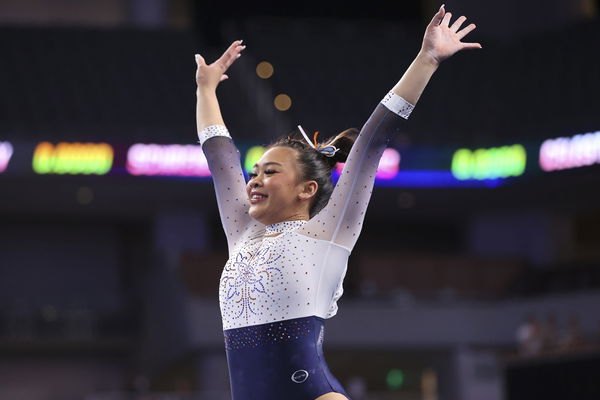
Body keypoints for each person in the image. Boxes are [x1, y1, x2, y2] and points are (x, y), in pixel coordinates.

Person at [195, 5, 481, 400]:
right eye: (255, 172)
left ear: (306, 189)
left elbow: (371, 143)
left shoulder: (328, 231)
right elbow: (220, 158)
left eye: (271, 172)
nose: (254, 180)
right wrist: (206, 89)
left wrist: (427, 59)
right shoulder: (241, 232)